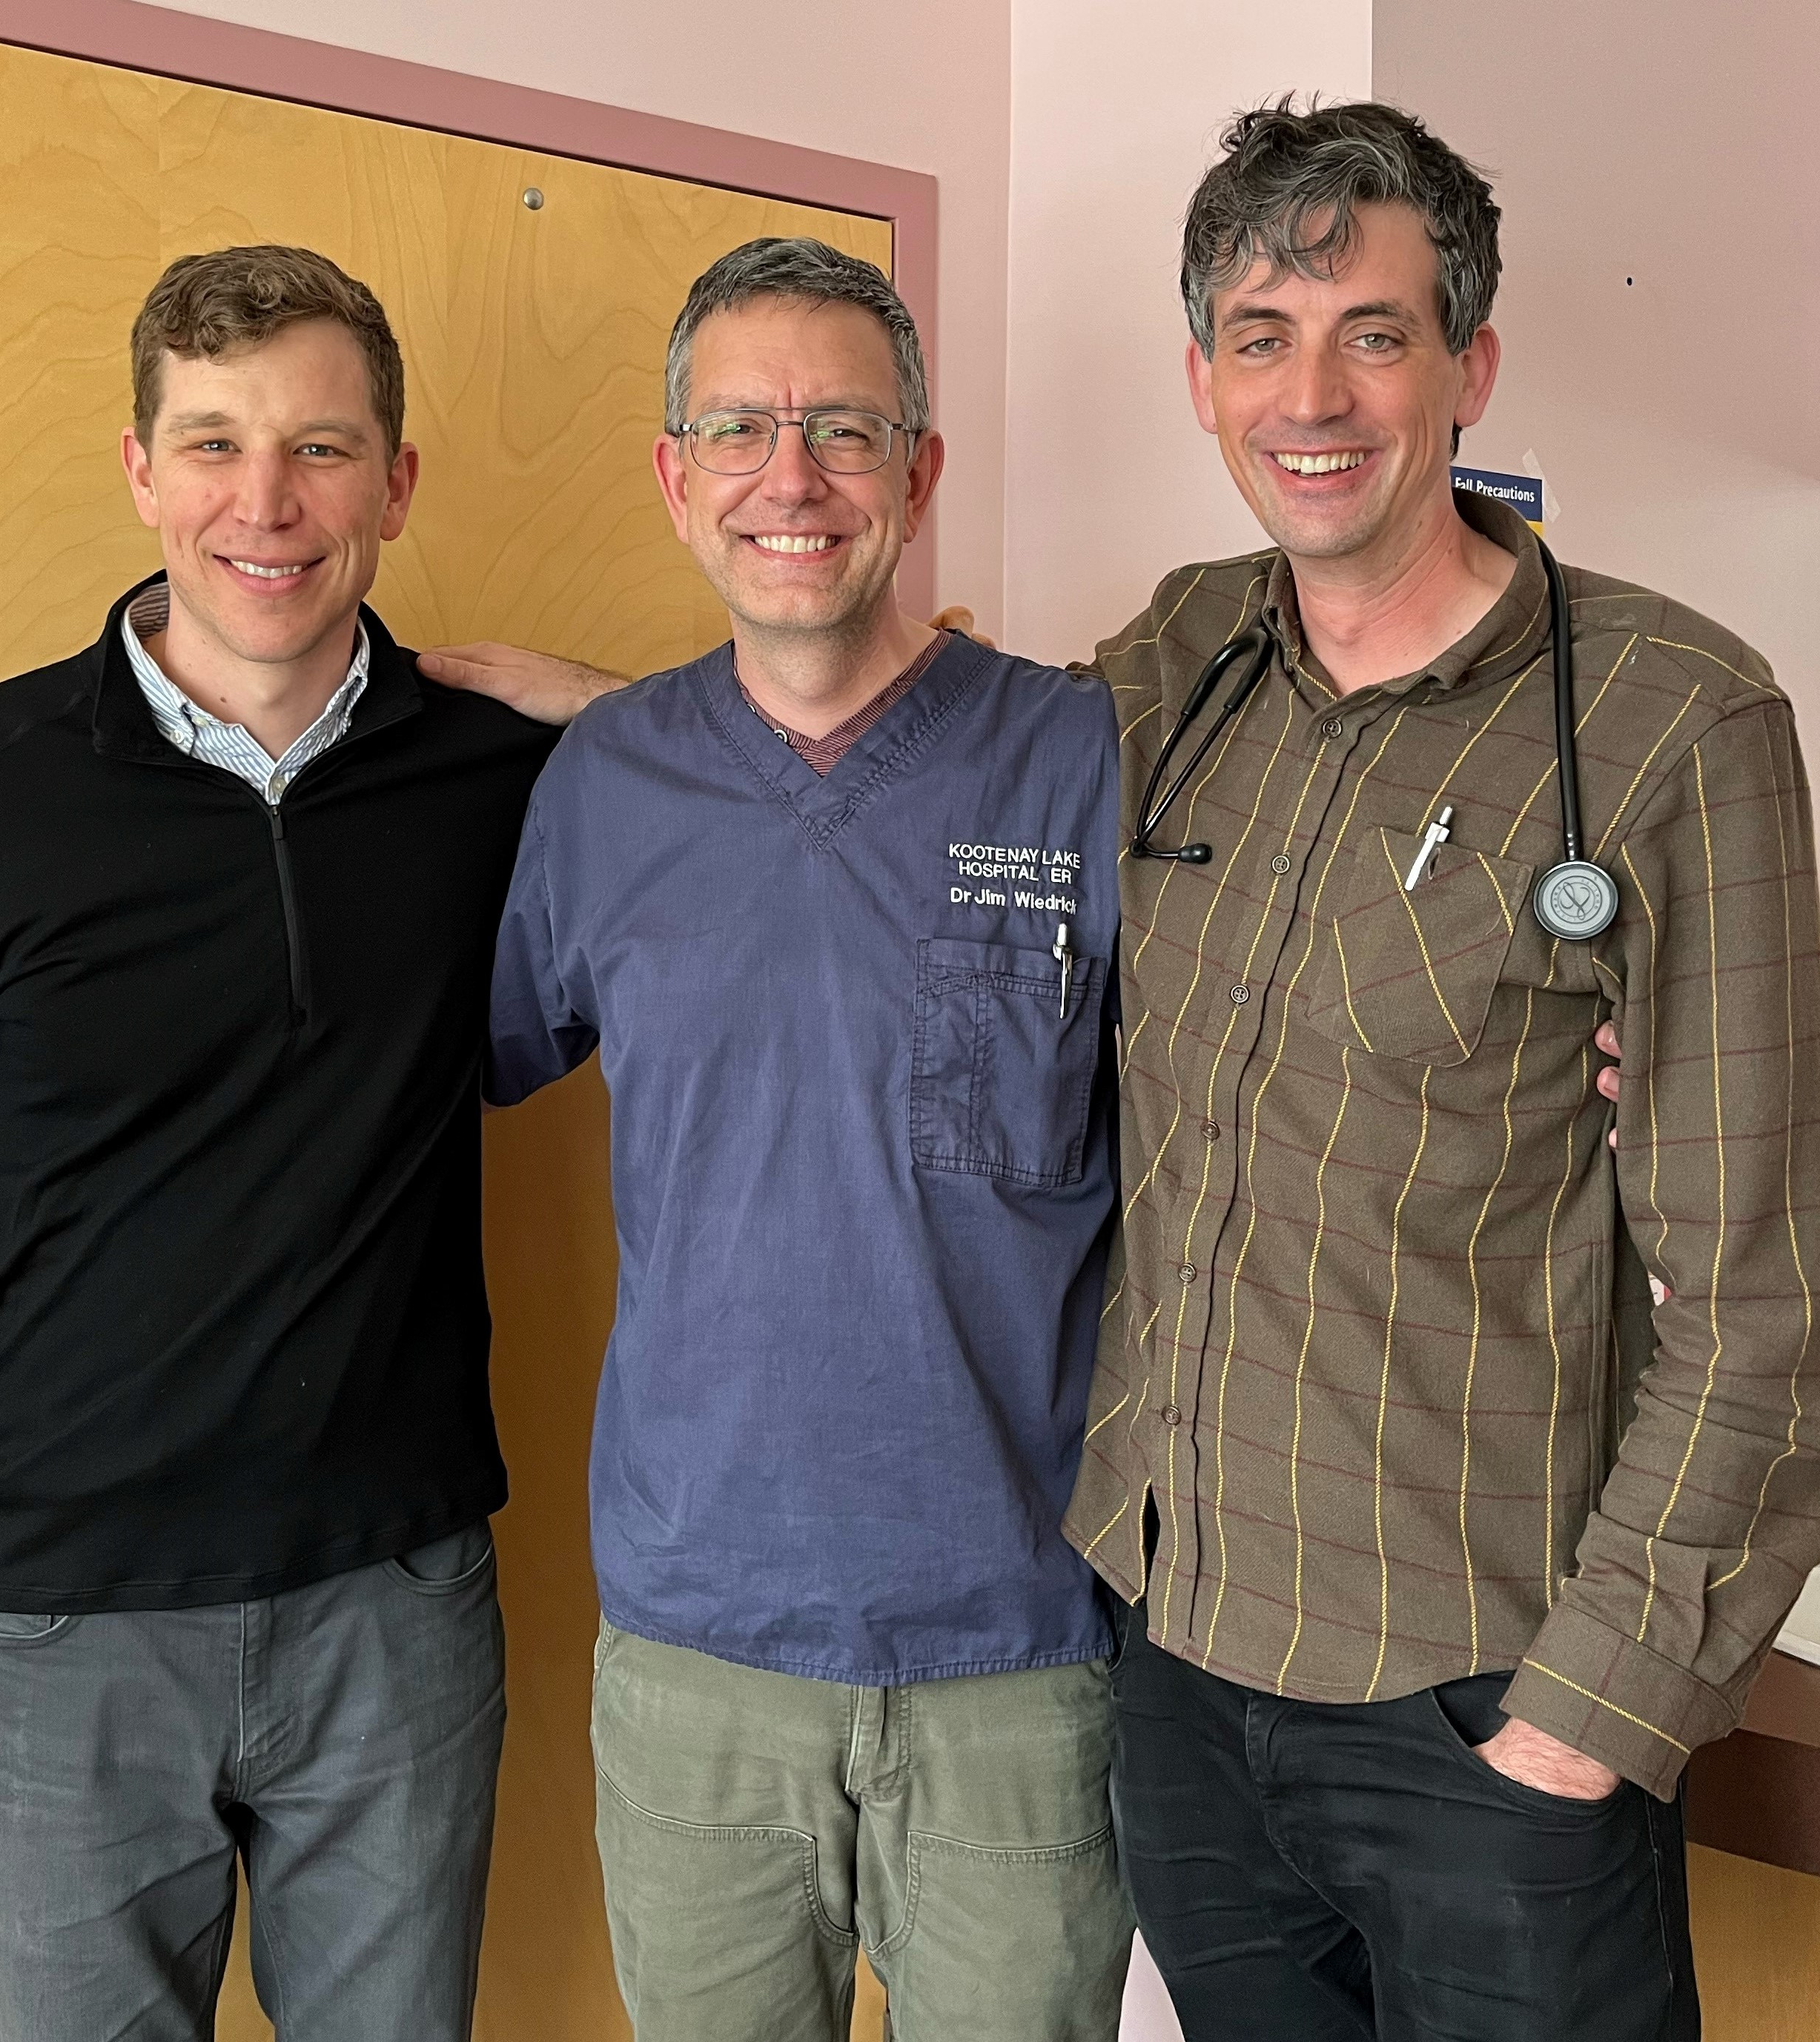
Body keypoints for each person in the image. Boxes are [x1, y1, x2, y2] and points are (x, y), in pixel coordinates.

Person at [1058, 101, 1820, 2040]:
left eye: (1375, 331)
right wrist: (606, 720)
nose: (1311, 391)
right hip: (1177, 1670)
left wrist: (1589, 1716)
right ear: (1201, 377)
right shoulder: (1177, 670)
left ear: (1468, 365)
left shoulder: (1673, 722)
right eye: (1261, 335)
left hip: (1481, 1715)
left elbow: (1765, 1304)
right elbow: (901, 773)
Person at [0, 245, 554, 2041]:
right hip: (68, 1639)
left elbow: (775, 770)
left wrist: (624, 708)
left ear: (397, 482)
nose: (263, 506)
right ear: (138, 470)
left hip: (398, 1611)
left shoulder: (502, 775)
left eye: (323, 450)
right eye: (210, 445)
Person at [479, 236, 1135, 2041]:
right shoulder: (604, 784)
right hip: (699, 1658)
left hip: (1018, 1658)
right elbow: (450, 1064)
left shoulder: (1082, 759)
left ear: (920, 474)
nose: (794, 476)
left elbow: (1255, 1078)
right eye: (743, 429)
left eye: (845, 430)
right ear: (676, 476)